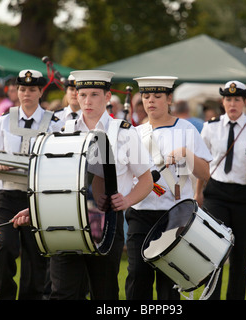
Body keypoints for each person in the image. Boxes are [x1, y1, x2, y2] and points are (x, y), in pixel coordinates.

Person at [13, 70, 153, 300]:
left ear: (107, 97)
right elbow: (53, 182)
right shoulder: (64, 131)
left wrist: (126, 200)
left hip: (107, 221)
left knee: (104, 292)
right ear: (74, 96)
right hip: (64, 219)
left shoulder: (124, 133)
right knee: (63, 292)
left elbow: (147, 180)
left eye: (95, 94)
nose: (87, 101)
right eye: (83, 94)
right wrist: (36, 210)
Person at [124, 76, 212, 300]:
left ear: (169, 98)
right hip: (140, 212)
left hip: (174, 214)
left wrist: (186, 154)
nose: (150, 101)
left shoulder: (186, 129)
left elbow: (205, 173)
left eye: (157, 96)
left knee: (169, 283)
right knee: (137, 276)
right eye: (146, 96)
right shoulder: (135, 133)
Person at [0, 69, 64, 300]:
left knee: (35, 253)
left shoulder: (54, 124)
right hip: (5, 193)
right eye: (22, 89)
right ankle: (4, 296)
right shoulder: (3, 120)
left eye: (31, 89)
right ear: (15, 91)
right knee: (4, 246)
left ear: (41, 92)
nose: (26, 94)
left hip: (37, 196)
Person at [195, 80, 246, 300]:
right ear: (222, 101)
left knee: (240, 252)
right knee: (214, 249)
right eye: (228, 99)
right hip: (216, 192)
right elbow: (203, 162)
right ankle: (211, 297)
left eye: (237, 99)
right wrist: (198, 192)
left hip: (245, 194)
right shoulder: (211, 126)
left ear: (245, 102)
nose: (232, 104)